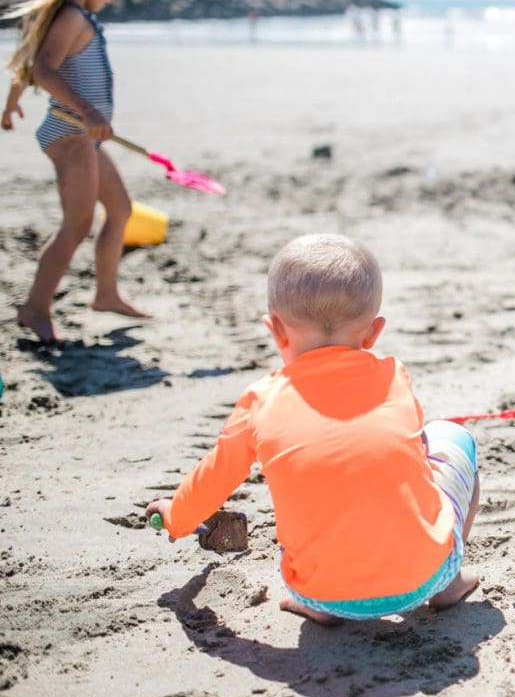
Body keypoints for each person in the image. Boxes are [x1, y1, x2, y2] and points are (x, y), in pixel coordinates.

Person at [146, 234, 481, 623]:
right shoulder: (394, 376)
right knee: (456, 438)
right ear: (373, 332)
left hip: (321, 594)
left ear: (275, 330)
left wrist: (175, 516)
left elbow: (213, 479)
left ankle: (320, 608)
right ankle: (449, 582)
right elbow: (417, 455)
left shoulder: (260, 400)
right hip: (424, 578)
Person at [2, 0, 145, 344]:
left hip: (86, 135)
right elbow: (44, 68)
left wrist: (11, 100)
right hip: (71, 132)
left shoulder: (79, 17)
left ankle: (106, 293)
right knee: (76, 224)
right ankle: (35, 307)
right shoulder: (70, 16)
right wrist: (86, 110)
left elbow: (30, 61)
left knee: (120, 210)